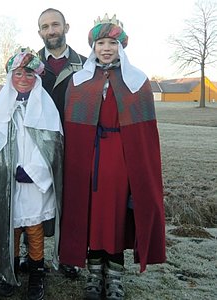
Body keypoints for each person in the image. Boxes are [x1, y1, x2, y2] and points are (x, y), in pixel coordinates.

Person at [59, 14, 166, 300]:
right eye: (101, 43)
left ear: (122, 46)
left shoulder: (137, 81)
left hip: (121, 161)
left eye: (112, 42)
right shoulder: (79, 81)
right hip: (88, 161)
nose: (106, 48)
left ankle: (115, 277)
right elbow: (73, 130)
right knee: (91, 215)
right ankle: (94, 274)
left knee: (116, 216)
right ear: (93, 46)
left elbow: (144, 135)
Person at [0, 48, 63, 300]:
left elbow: (52, 146)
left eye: (29, 73)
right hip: (7, 181)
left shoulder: (46, 106)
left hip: (34, 183)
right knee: (11, 227)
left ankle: (37, 275)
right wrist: (5, 169)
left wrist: (33, 171)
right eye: (18, 73)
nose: (23, 78)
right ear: (10, 77)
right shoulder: (0, 107)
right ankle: (10, 273)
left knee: (33, 227)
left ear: (36, 77)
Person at [18, 7, 87, 279]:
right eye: (45, 27)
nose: (51, 31)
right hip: (36, 144)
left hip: (73, 142)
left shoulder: (84, 64)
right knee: (31, 197)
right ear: (39, 32)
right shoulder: (30, 65)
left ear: (66, 27)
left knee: (68, 201)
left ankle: (68, 256)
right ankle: (29, 254)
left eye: (55, 25)